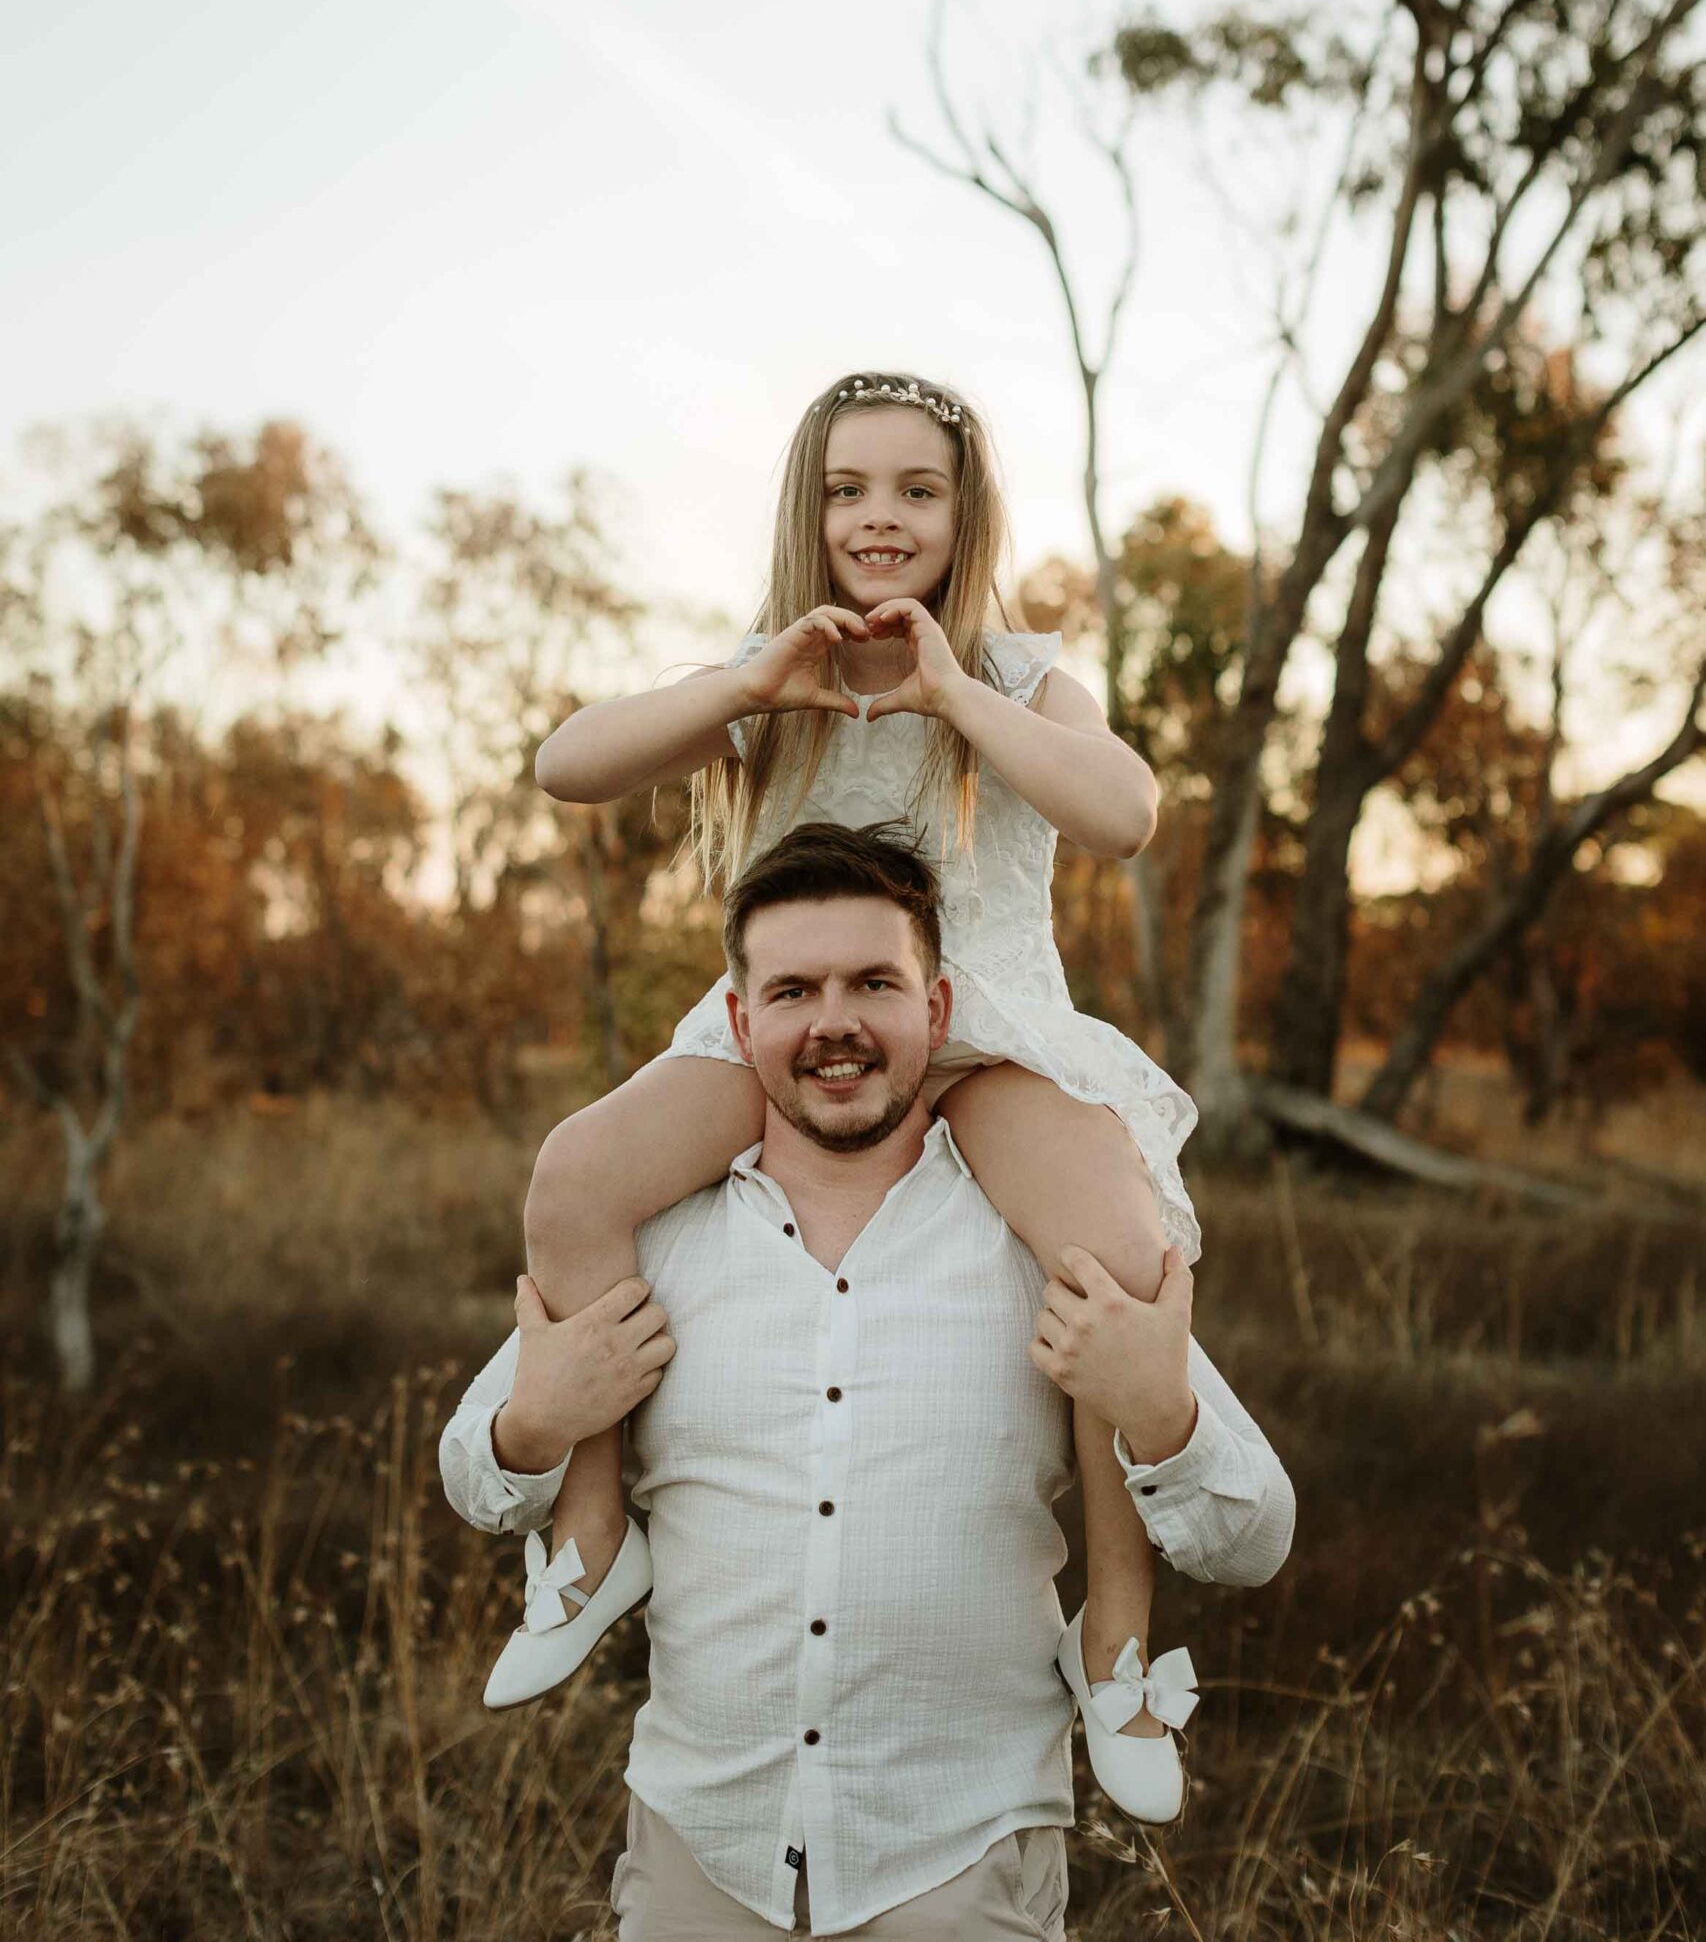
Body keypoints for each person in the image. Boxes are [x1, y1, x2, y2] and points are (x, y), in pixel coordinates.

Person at [498, 369, 1202, 1818]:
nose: (878, 517)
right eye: (847, 489)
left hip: (983, 1024)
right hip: (798, 1023)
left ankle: (1116, 1627)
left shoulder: (1017, 674)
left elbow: (1124, 815)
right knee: (573, 1176)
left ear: (963, 514)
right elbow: (565, 766)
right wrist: (747, 685)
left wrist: (948, 685)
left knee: (1117, 1240)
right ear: (808, 508)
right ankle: (587, 1532)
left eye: (914, 490)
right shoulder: (771, 670)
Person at [441, 825, 1295, 1939]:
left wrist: (1159, 1412)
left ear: (935, 1013)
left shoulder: (1046, 1236)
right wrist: (530, 1424)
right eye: (792, 989)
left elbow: (1254, 1535)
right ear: (738, 1023)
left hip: (959, 1852)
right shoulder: (656, 1239)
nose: (832, 1022)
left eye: (872, 983)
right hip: (703, 1845)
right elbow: (471, 1471)